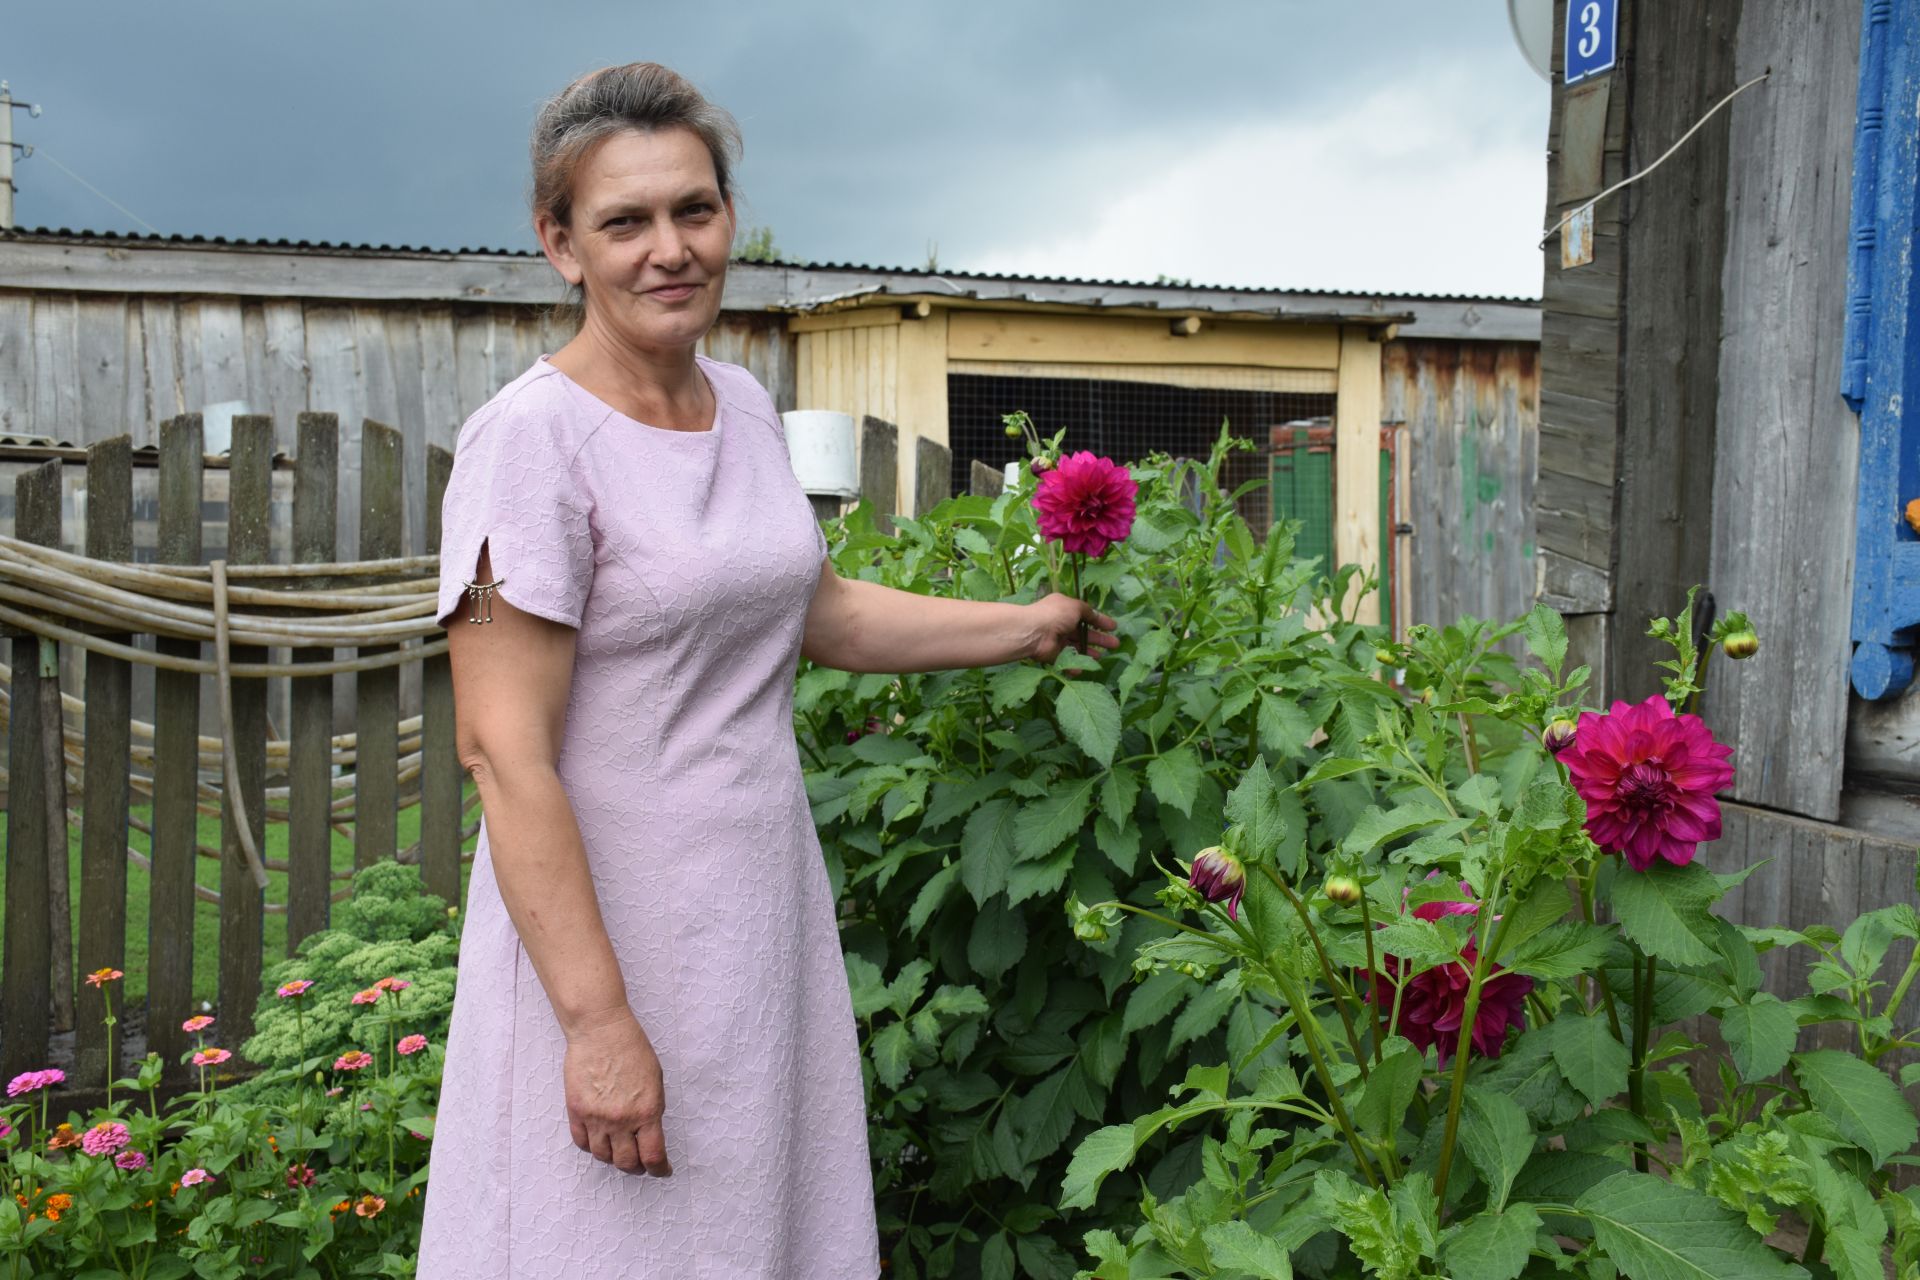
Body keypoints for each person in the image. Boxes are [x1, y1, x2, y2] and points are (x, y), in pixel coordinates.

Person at [416, 62, 1117, 1278]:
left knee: (746, 1231)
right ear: (559, 244)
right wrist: (594, 1022)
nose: (669, 248)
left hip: (751, 918)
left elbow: (818, 609)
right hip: (609, 934)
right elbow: (501, 750)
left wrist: (1023, 623)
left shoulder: (740, 405)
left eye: (695, 209)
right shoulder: (526, 442)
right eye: (624, 221)